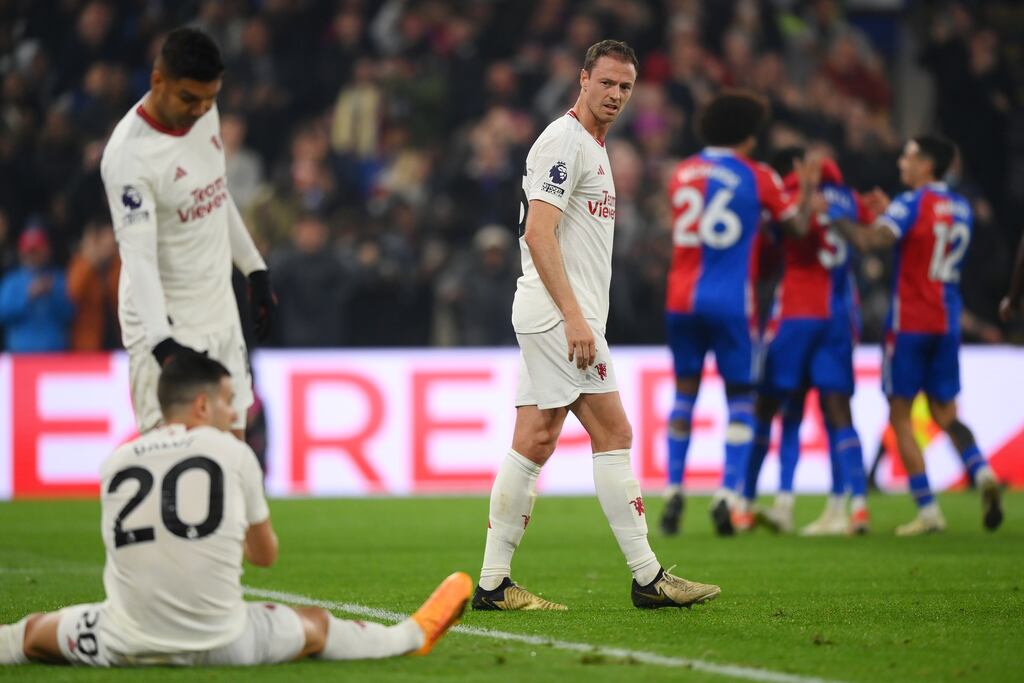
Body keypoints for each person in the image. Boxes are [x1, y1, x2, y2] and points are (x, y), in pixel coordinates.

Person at [0, 353, 471, 668]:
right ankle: (411, 635)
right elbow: (264, 557)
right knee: (316, 625)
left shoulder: (116, 461)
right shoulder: (233, 452)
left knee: (32, 633)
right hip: (223, 641)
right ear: (202, 404)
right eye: (229, 400)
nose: (236, 410)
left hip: (123, 639)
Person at [473, 40, 720, 612]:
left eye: (625, 87)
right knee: (615, 433)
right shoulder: (564, 142)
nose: (615, 95)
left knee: (533, 443)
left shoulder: (593, 146)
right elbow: (538, 234)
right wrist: (576, 318)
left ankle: (492, 584)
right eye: (606, 82)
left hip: (553, 316)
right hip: (562, 318)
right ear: (582, 79)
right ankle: (648, 575)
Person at [99, 27, 276, 439]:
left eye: (210, 99)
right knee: (172, 461)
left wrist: (254, 269)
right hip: (165, 319)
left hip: (217, 310)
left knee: (234, 457)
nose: (200, 110)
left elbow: (215, 193)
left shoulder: (205, 113)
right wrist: (162, 345)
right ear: (158, 80)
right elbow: (138, 256)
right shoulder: (129, 157)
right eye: (189, 98)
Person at [658, 92, 817, 537]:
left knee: (684, 394)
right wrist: (803, 190)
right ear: (749, 135)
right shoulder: (758, 175)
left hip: (681, 299)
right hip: (730, 302)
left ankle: (673, 489)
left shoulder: (682, 172)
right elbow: (797, 228)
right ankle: (727, 493)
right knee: (741, 399)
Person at [834, 134, 1003, 535]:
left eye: (908, 157)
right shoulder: (959, 205)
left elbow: (874, 241)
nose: (901, 164)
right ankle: (982, 473)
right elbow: (924, 233)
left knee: (900, 415)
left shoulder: (912, 202)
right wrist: (890, 212)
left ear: (927, 165)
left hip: (909, 322)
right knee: (946, 413)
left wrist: (838, 214)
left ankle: (928, 511)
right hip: (946, 320)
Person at [735, 151, 873, 536]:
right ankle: (854, 507)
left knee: (772, 406)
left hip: (795, 311)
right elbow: (868, 233)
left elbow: (777, 237)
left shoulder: (796, 192)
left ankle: (749, 504)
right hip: (840, 316)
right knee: (838, 412)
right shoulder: (850, 198)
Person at [0, 225, 74, 352]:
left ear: (47, 250)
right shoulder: (12, 281)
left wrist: (53, 293)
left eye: (37, 251)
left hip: (55, 355)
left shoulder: (58, 278)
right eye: (29, 251)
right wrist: (27, 295)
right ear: (21, 252)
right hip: (20, 355)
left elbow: (70, 314)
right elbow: (3, 314)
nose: (32, 255)